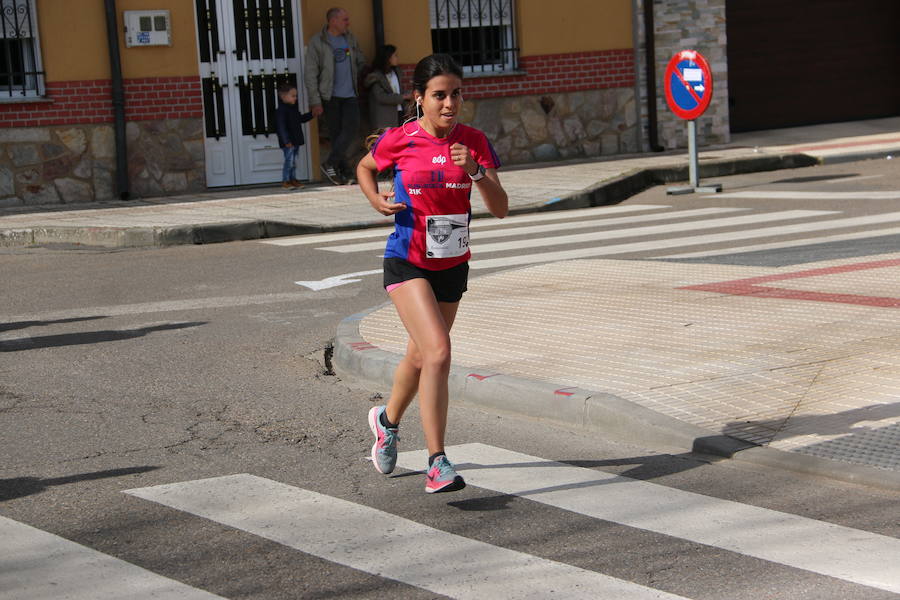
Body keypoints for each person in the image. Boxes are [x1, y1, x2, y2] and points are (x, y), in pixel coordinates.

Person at [356, 54, 508, 493]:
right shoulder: (401, 139)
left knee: (421, 356)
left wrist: (476, 172)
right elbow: (366, 167)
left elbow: (500, 210)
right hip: (407, 260)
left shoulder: (474, 141)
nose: (449, 104)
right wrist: (375, 200)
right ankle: (437, 461)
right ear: (418, 98)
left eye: (456, 94)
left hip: (452, 263)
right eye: (439, 95)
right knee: (439, 351)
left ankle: (386, 422)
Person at [304, 7, 366, 185]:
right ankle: (343, 171)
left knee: (352, 128)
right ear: (333, 21)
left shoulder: (350, 38)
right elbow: (310, 73)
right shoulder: (318, 42)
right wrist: (315, 101)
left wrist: (359, 65)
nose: (348, 23)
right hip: (329, 96)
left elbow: (359, 58)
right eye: (345, 19)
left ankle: (330, 162)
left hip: (350, 94)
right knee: (337, 134)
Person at [275, 82, 314, 190]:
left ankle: (293, 179)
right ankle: (286, 181)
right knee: (289, 161)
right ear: (283, 96)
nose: (295, 98)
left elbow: (300, 119)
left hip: (295, 140)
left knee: (293, 162)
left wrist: (311, 114)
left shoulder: (293, 109)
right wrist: (286, 140)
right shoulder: (281, 111)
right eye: (293, 96)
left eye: (295, 96)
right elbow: (281, 127)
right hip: (288, 142)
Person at [364, 44, 409, 129]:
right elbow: (381, 97)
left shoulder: (396, 73)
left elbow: (399, 91)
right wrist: (403, 97)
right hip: (385, 118)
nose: (397, 58)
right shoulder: (375, 77)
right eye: (395, 55)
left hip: (399, 113)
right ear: (388, 58)